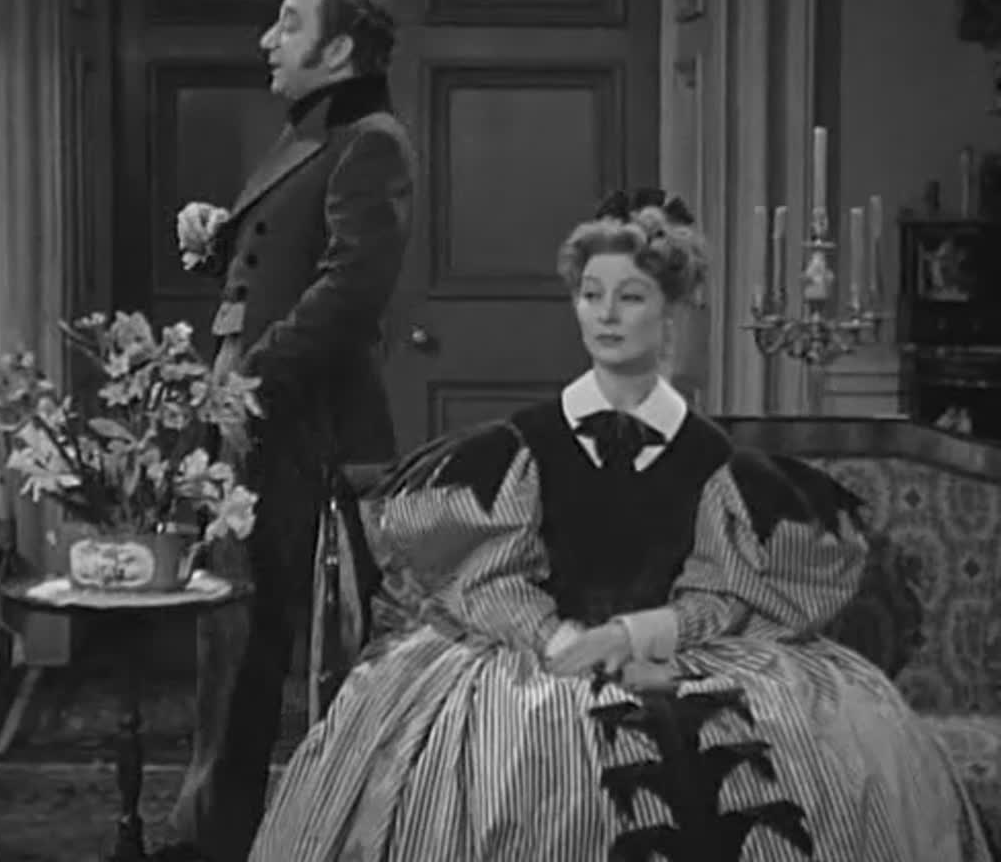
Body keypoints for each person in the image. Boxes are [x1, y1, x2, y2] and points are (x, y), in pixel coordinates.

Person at [248, 189, 994, 862]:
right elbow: (488, 581)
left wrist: (639, 635)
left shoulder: (719, 465)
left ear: (669, 314)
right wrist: (563, 642)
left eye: (630, 297)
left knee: (814, 753)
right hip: (535, 658)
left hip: (692, 655)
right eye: (591, 295)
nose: (606, 315)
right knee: (519, 763)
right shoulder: (520, 448)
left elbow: (728, 592)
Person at [157, 0, 414, 862]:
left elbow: (350, 288)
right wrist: (219, 241)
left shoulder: (371, 141)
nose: (268, 41)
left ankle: (298, 836)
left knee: (296, 644)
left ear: (338, 49)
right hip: (248, 405)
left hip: (302, 418)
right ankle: (214, 834)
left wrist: (252, 377)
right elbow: (282, 261)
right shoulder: (311, 134)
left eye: (288, 25)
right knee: (229, 630)